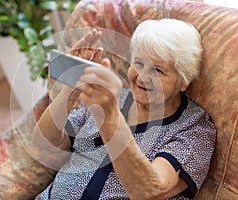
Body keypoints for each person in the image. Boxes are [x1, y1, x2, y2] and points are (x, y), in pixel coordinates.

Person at [33, 19, 216, 200]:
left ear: (184, 81)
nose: (142, 77)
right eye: (138, 63)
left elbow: (148, 192)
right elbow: (45, 142)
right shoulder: (112, 96)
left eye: (158, 70)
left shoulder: (195, 129)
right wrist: (70, 89)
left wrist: (109, 115)